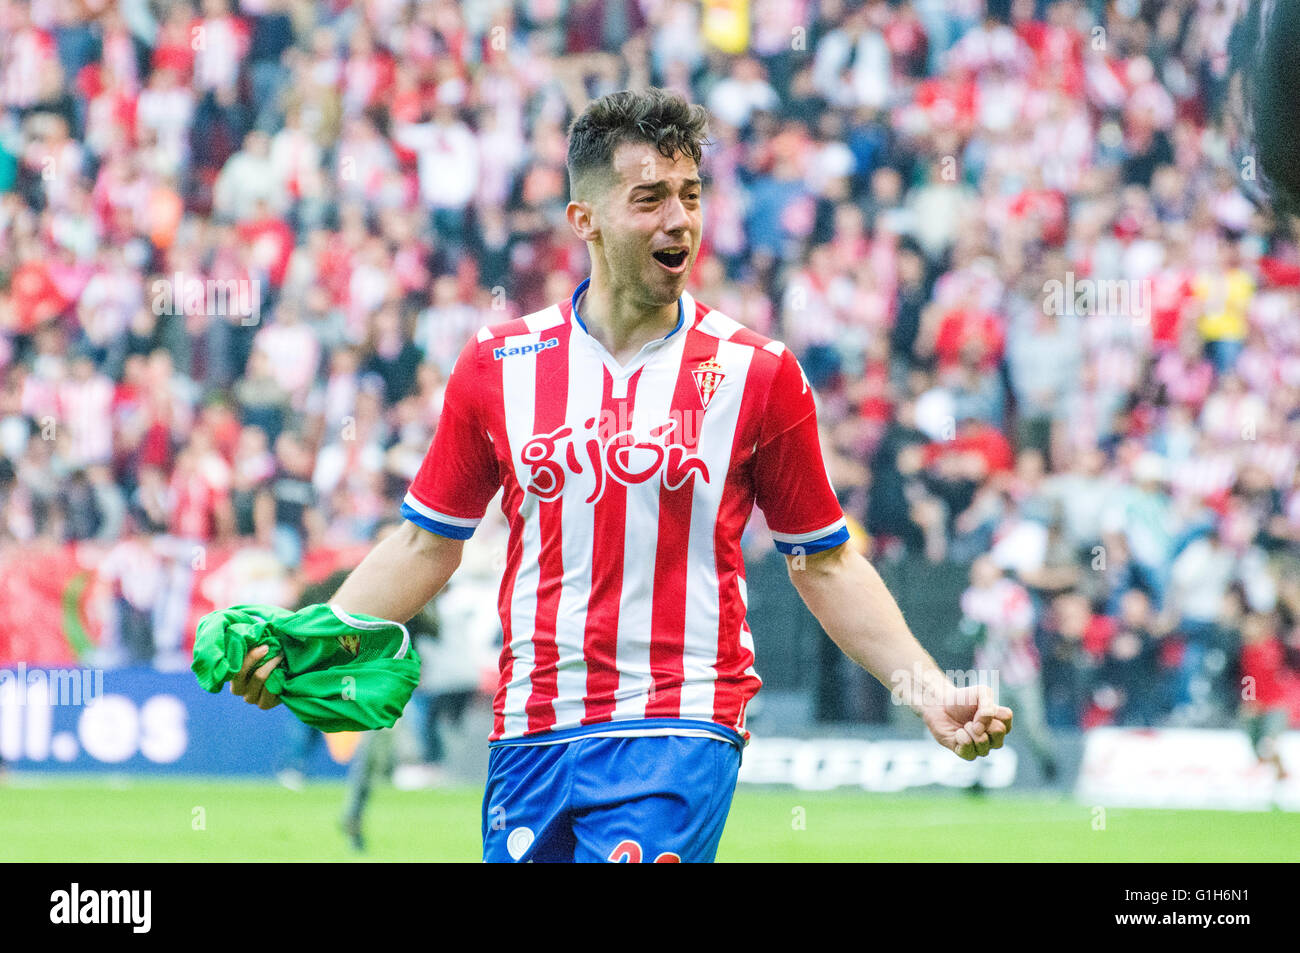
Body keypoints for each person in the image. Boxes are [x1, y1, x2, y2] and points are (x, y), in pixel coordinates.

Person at [227, 88, 1013, 863]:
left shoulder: (757, 373)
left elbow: (825, 560)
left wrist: (929, 693)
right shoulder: (496, 366)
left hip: (680, 721)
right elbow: (423, 543)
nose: (680, 219)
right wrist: (314, 642)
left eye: (691, 195)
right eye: (650, 198)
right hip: (532, 727)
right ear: (586, 220)